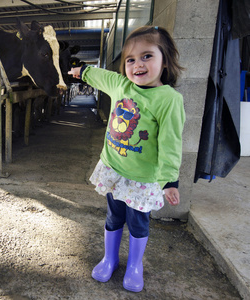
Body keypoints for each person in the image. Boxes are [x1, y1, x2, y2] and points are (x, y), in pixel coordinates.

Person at [68, 26, 185, 292]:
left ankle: (134, 266)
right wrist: (82, 71)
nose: (137, 64)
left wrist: (170, 180)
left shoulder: (168, 100)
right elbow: (101, 76)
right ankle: (109, 258)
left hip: (143, 179)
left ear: (164, 60)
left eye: (147, 56)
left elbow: (171, 142)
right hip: (114, 170)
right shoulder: (121, 85)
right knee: (113, 216)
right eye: (130, 60)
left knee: (138, 222)